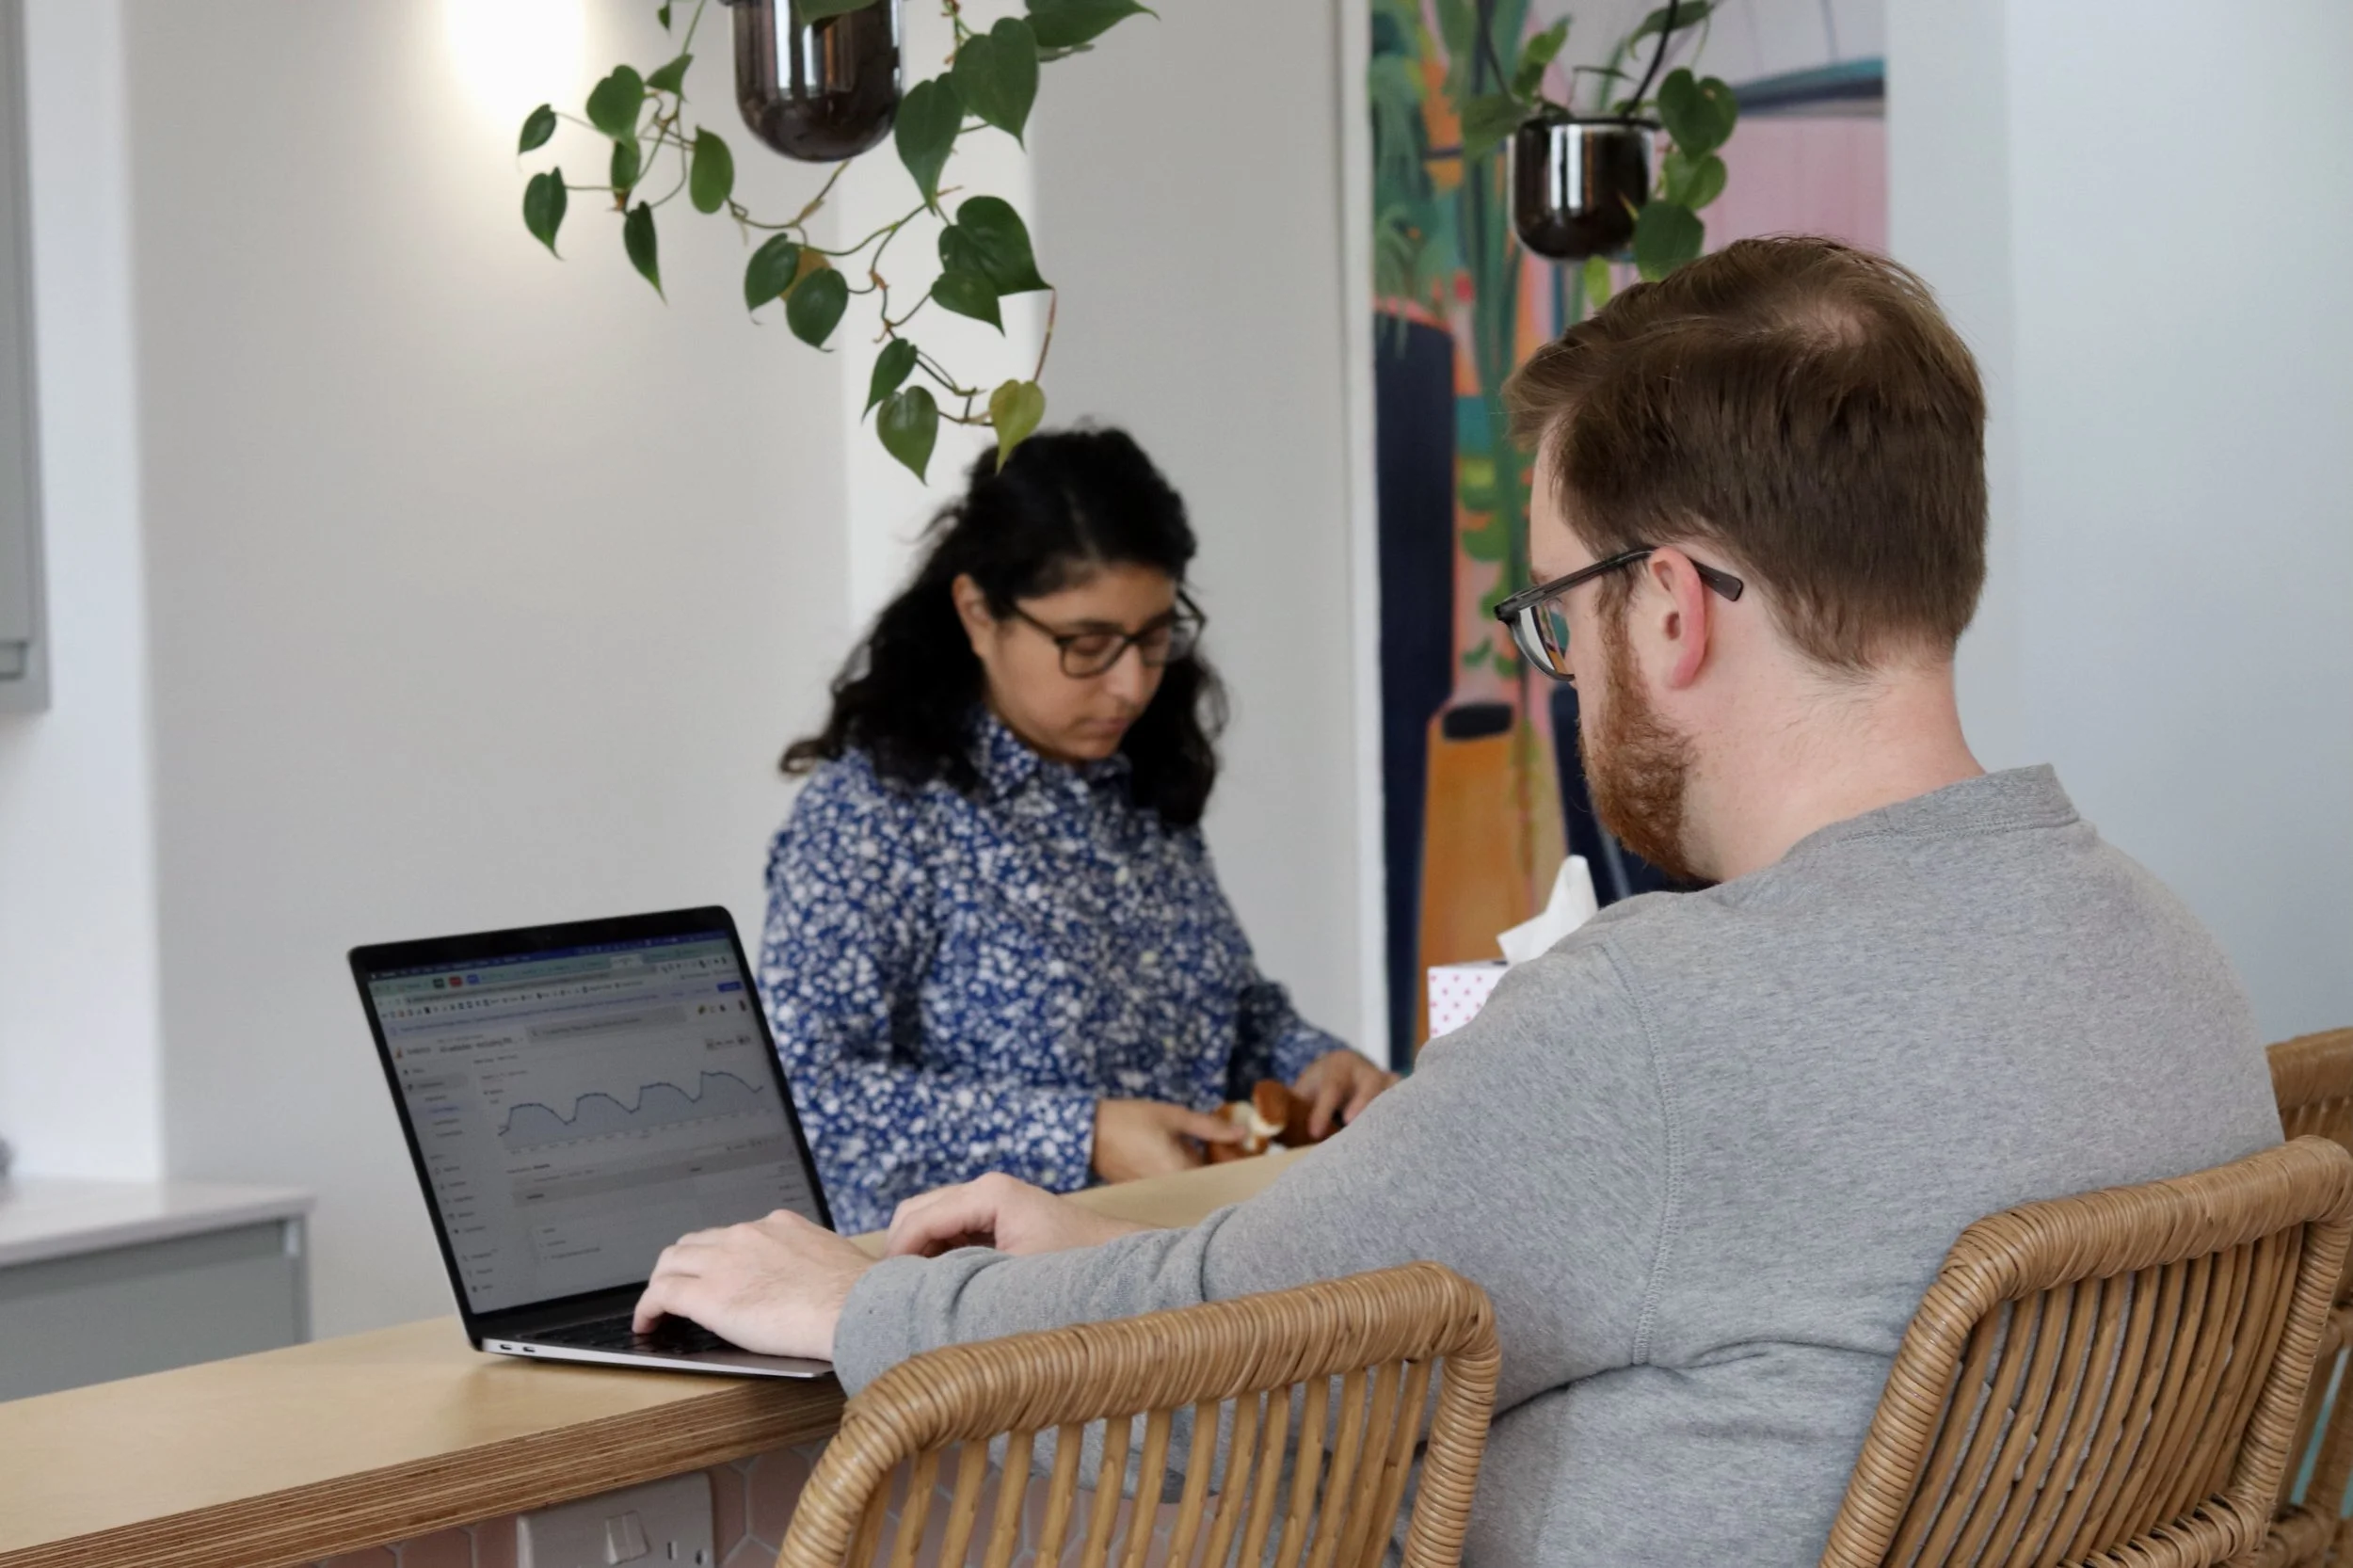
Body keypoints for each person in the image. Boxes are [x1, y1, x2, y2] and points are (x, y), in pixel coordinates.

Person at [636, 239, 2281, 1564]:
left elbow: (1238, 1329)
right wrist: (1081, 1229)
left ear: (1671, 613)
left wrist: (868, 1301)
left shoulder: (1654, 1018)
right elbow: (1334, 1283)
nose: (1557, 671)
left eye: (1557, 613)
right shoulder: (2164, 951)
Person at [760, 427, 1392, 1235]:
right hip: (977, 1317)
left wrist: (1312, 1064)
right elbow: (814, 1102)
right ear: (979, 613)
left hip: (1174, 1273)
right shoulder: (872, 820)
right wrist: (1080, 1133)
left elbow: (1228, 1014)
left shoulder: (1129, 786)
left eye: (1155, 637)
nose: (1131, 684)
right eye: (1088, 646)